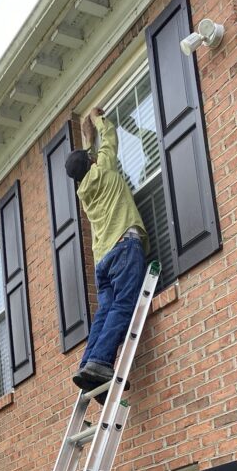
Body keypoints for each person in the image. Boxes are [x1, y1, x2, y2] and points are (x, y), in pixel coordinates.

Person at [66, 107, 149, 393]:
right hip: (123, 246)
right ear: (93, 161)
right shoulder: (104, 170)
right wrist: (98, 120)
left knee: (104, 312)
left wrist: (87, 141)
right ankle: (100, 362)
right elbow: (110, 138)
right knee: (124, 304)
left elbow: (88, 160)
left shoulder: (83, 191)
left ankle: (89, 365)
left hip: (103, 259)